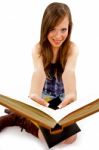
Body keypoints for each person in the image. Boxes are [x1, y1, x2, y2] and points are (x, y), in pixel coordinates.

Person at [0, 2, 79, 145]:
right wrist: (34, 94)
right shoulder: (39, 49)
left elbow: (69, 71)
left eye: (63, 29)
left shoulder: (71, 48)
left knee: (70, 139)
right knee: (47, 137)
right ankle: (19, 118)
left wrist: (71, 93)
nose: (58, 36)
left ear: (69, 28)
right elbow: (39, 72)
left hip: (63, 101)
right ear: (45, 28)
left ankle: (19, 114)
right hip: (43, 101)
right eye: (52, 29)